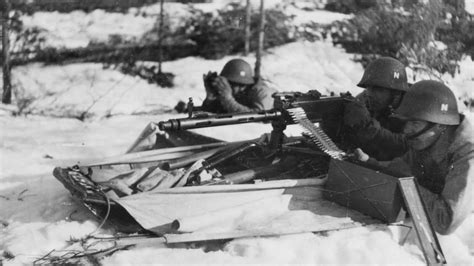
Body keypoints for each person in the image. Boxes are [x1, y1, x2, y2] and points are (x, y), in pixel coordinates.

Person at [355, 80, 474, 235]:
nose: (406, 130)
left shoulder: (466, 155)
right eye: (406, 123)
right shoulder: (428, 138)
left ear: (440, 125)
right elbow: (400, 167)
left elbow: (445, 222)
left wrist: (410, 185)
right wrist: (369, 163)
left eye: (415, 123)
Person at [340, 57, 409, 161]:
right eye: (368, 87)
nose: (369, 94)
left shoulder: (414, 107)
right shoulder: (366, 99)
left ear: (396, 93)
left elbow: (406, 145)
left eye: (378, 89)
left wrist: (366, 127)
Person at [201, 58, 276, 113]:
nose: (225, 86)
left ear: (241, 84)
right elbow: (212, 113)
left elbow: (260, 119)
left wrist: (228, 99)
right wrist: (211, 97)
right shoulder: (236, 93)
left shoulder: (263, 93)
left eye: (228, 83)